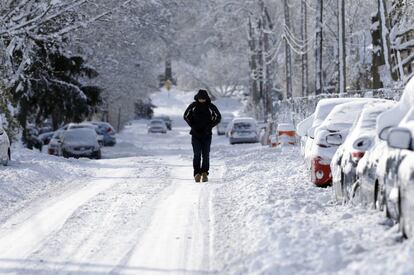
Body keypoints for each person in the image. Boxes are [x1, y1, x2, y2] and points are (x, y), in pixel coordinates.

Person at [184, 89, 221, 182]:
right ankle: (197, 173)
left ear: (206, 98)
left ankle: (204, 173)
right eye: (200, 98)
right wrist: (192, 125)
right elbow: (185, 116)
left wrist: (210, 126)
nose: (201, 100)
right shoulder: (193, 106)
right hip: (195, 134)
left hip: (207, 134)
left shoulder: (210, 106)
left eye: (203, 99)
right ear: (197, 98)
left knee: (205, 154)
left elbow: (218, 117)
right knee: (197, 154)